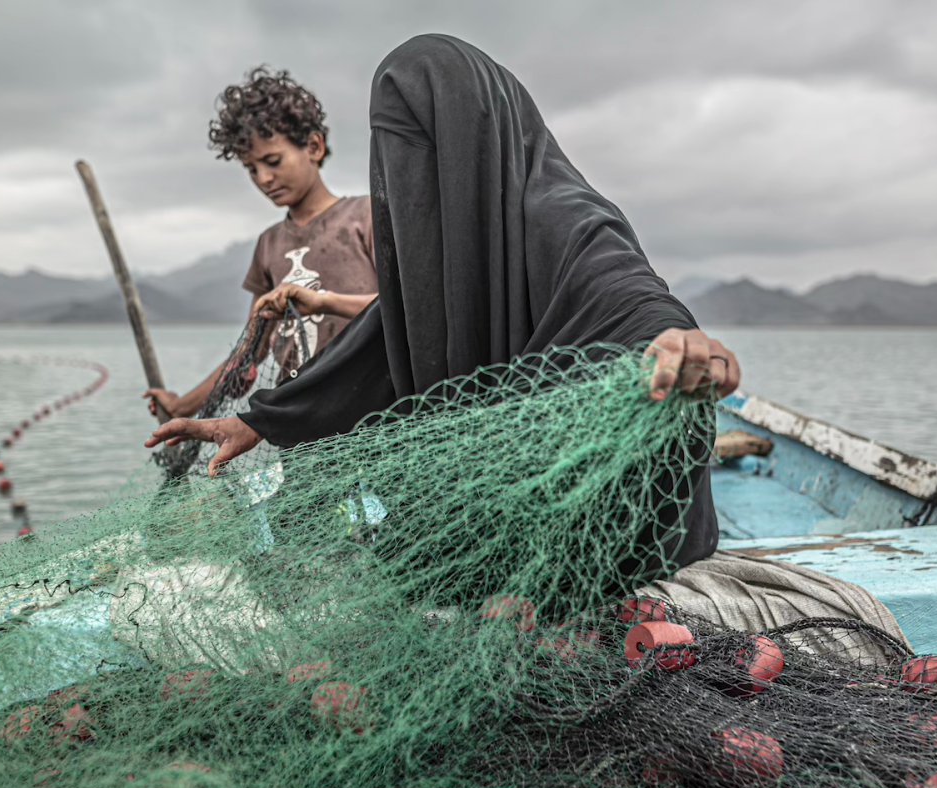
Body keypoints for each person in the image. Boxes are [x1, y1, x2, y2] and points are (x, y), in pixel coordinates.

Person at [147, 35, 741, 569]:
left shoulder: (563, 216)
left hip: (583, 514)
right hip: (490, 504)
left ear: (471, 139)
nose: (407, 178)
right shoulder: (434, 247)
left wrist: (676, 337)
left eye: (424, 151)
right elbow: (384, 336)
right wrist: (261, 419)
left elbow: (628, 296)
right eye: (394, 158)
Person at [144, 66, 379, 420]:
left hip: (373, 414)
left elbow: (405, 309)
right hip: (300, 422)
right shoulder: (269, 245)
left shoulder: (366, 216)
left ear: (314, 146)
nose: (264, 178)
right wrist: (182, 406)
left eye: (272, 161)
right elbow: (250, 353)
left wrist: (324, 301)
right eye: (251, 169)